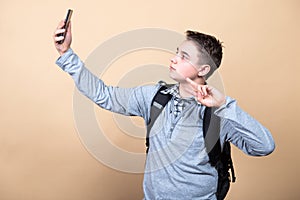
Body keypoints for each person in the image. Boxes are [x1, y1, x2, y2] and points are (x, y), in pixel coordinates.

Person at [53, 20, 275, 200]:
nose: (174, 58)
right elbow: (104, 95)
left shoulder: (221, 112)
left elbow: (264, 146)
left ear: (203, 69)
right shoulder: (154, 97)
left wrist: (225, 104)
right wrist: (66, 54)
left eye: (184, 57)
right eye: (177, 52)